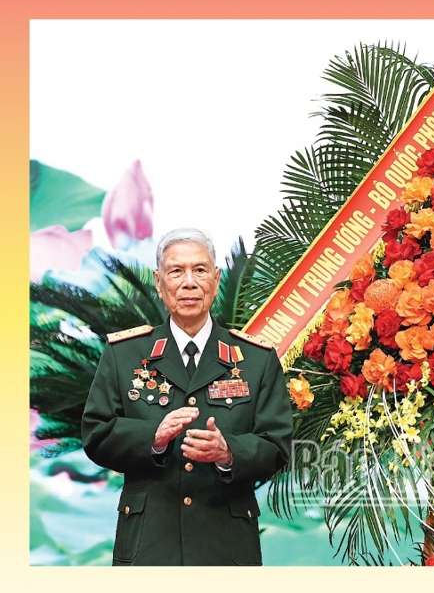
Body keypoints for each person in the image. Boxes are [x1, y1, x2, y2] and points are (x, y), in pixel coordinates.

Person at [82, 228, 293, 565]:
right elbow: (96, 435)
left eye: (200, 270)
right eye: (176, 271)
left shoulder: (256, 358)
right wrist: (153, 438)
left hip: (226, 548)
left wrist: (228, 453)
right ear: (158, 281)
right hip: (149, 545)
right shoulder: (124, 353)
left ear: (216, 277)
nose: (189, 283)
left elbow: (277, 446)